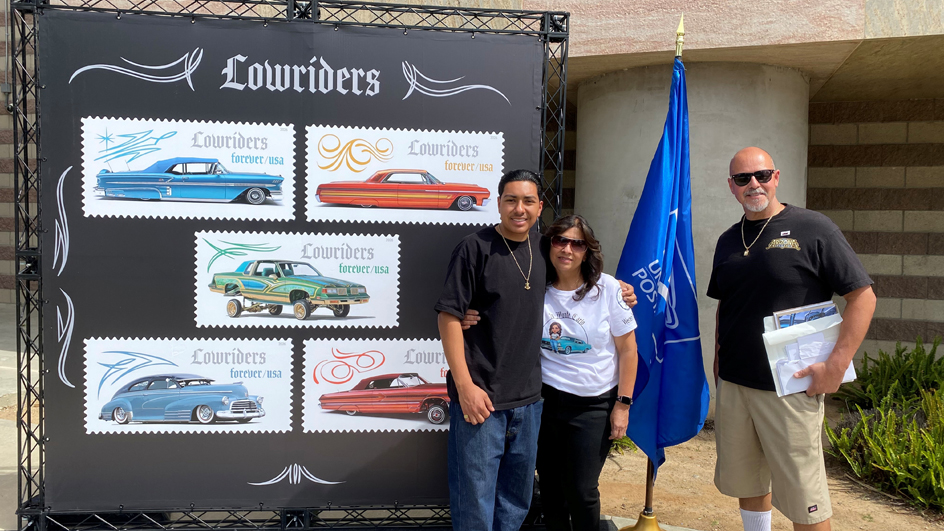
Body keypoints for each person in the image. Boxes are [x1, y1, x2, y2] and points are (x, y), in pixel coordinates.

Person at [436, 169, 636, 531]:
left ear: (539, 206)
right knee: (475, 505)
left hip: (531, 405)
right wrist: (465, 387)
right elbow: (448, 317)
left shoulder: (544, 251)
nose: (519, 209)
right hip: (483, 401)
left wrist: (618, 289)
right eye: (511, 200)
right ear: (498, 204)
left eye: (528, 201)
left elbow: (578, 273)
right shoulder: (474, 248)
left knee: (516, 503)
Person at [707, 147, 876, 531]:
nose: (754, 184)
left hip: (791, 387)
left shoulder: (813, 228)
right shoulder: (728, 240)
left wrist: (835, 366)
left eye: (762, 175)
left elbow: (863, 296)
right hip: (736, 382)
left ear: (777, 177)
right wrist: (719, 355)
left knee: (805, 500)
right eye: (743, 179)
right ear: (731, 187)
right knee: (746, 479)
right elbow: (725, 303)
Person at [535, 214, 638, 531]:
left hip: (593, 406)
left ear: (587, 250)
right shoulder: (535, 287)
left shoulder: (608, 289)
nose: (567, 249)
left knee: (581, 490)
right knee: (550, 490)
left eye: (576, 243)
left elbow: (628, 350)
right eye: (560, 240)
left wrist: (622, 405)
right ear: (549, 245)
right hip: (545, 403)